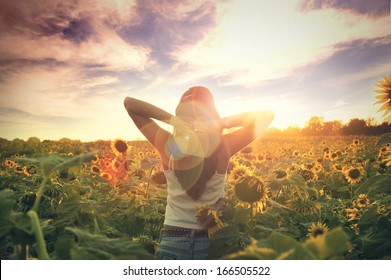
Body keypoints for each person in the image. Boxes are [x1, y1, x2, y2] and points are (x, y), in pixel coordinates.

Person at [123, 86, 274, 260]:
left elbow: (130, 104)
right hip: (212, 243)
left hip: (173, 241)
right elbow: (266, 116)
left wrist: (173, 120)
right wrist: (220, 123)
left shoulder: (168, 144)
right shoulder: (223, 147)